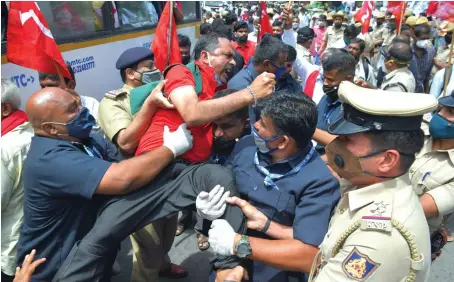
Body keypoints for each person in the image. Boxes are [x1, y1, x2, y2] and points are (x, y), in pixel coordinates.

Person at [16, 86, 193, 282]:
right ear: (51, 128)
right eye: (72, 109)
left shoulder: (89, 141)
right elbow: (123, 178)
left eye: (78, 103)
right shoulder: (50, 159)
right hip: (56, 267)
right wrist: (170, 149)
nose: (82, 110)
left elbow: (128, 169)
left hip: (91, 253)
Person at [308, 81, 435, 282]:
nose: (336, 145)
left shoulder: (379, 238)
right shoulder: (368, 183)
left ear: (387, 160)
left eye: (347, 140)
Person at [207, 91, 340, 282]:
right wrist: (208, 209)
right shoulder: (245, 146)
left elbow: (307, 251)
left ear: (283, 141)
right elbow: (225, 184)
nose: (255, 125)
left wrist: (243, 241)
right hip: (227, 259)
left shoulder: (319, 182)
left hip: (273, 270)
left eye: (262, 124)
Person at [98, 47, 188, 280]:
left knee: (167, 231)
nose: (155, 70)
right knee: (148, 244)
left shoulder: (163, 91)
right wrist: (150, 104)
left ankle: (163, 265)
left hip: (169, 172)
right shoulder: (114, 102)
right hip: (140, 183)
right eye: (148, 67)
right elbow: (126, 143)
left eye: (155, 65)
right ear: (130, 73)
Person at [177, 89, 251, 250]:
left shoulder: (252, 147)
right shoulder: (203, 135)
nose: (217, 133)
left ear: (246, 123)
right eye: (214, 125)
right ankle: (200, 229)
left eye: (226, 127)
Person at [410, 90, 454, 260]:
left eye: (450, 113)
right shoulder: (417, 132)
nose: (440, 115)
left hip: (410, 243)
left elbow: (417, 209)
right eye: (441, 109)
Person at [1, 79, 34, 282]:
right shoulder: (32, 127)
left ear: (5, 108)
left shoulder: (5, 148)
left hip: (8, 251)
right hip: (32, 241)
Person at [228, 35, 288, 123]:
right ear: (267, 64)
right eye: (281, 63)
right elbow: (250, 130)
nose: (284, 68)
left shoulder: (267, 80)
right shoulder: (239, 87)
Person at [38, 62, 103, 136]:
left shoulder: (91, 105)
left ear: (71, 85)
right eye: (43, 87)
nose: (46, 92)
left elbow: (99, 136)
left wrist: (80, 110)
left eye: (52, 86)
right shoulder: (41, 112)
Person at [313, 50, 356, 154]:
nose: (325, 83)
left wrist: (308, 131)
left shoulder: (353, 108)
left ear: (348, 79)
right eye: (324, 78)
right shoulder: (326, 98)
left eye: (330, 80)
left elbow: (345, 148)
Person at [413, 24, 436, 93]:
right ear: (414, 37)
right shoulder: (407, 51)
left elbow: (427, 76)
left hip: (420, 91)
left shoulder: (431, 51)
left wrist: (426, 92)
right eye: (423, 39)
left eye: (427, 38)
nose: (426, 41)